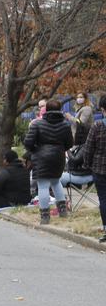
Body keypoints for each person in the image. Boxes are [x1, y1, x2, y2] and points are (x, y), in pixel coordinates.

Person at [24, 98, 73, 224]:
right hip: (58, 157)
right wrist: (59, 148)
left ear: (46, 110)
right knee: (56, 182)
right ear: (60, 110)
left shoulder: (37, 124)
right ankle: (62, 211)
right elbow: (69, 144)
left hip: (41, 157)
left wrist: (35, 150)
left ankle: (45, 216)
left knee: (43, 185)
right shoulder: (65, 125)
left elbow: (28, 143)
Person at [78, 96, 106, 241]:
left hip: (100, 168)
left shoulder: (98, 126)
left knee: (103, 198)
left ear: (102, 109)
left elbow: (88, 149)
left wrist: (86, 165)